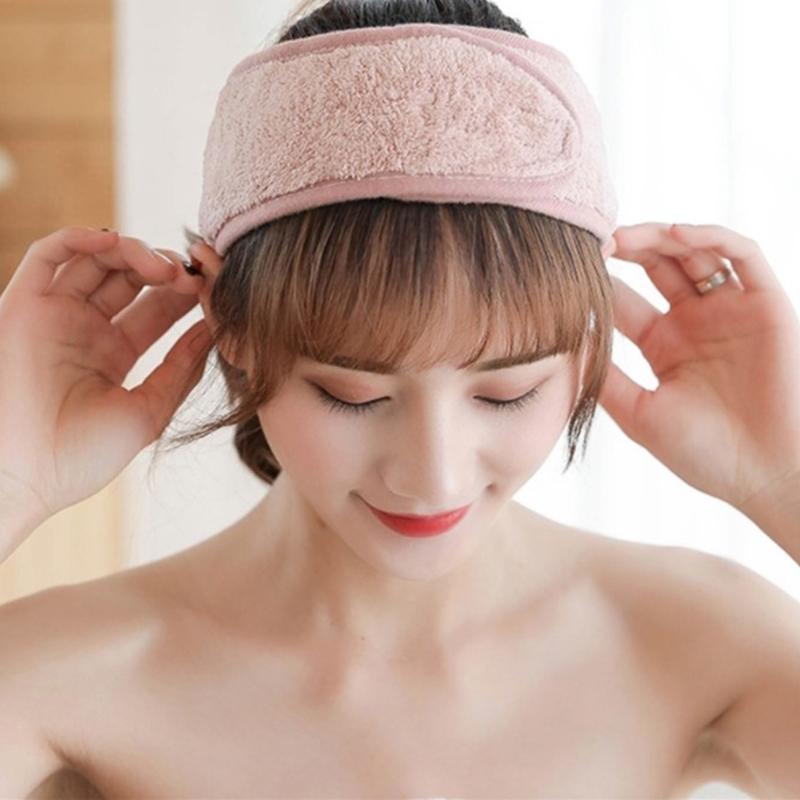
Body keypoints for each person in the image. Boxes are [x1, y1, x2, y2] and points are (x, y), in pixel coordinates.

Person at [2, 0, 800, 798]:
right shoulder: (66, 679)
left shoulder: (704, 642)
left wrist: (787, 481)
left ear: (586, 347)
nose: (433, 477)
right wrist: (11, 480)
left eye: (507, 394)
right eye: (352, 395)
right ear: (231, 327)